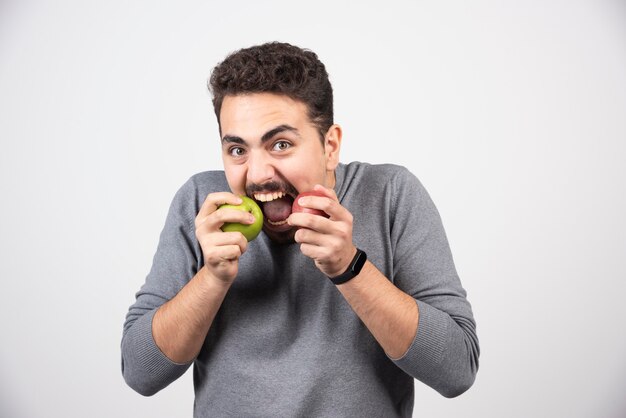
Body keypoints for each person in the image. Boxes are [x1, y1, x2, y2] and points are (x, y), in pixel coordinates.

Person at [121, 41, 479, 417]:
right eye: (238, 150)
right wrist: (212, 277)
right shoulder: (202, 204)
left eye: (280, 144)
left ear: (330, 146)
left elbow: (456, 371)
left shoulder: (390, 194)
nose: (258, 175)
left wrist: (350, 267)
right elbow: (141, 373)